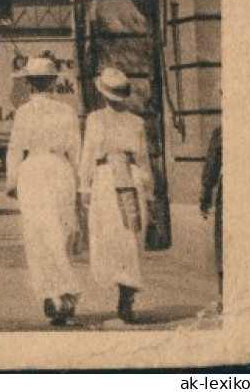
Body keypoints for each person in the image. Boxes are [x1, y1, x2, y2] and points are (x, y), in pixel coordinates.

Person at [5, 55, 82, 326]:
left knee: (38, 234)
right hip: (60, 170)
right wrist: (79, 183)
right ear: (52, 82)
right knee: (62, 229)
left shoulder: (24, 112)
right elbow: (76, 149)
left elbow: (15, 148)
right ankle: (65, 293)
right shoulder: (67, 111)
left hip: (33, 171)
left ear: (28, 83)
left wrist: (12, 181)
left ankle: (51, 294)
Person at [79, 66, 153, 325]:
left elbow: (88, 155)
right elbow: (143, 162)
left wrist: (84, 187)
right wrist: (147, 190)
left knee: (117, 235)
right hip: (125, 178)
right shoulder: (131, 121)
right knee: (126, 237)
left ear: (104, 94)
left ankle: (125, 296)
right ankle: (126, 294)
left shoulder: (97, 120)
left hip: (109, 179)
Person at [200, 124, 223, 305]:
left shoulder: (221, 131)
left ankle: (226, 297)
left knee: (224, 245)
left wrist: (206, 195)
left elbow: (211, 168)